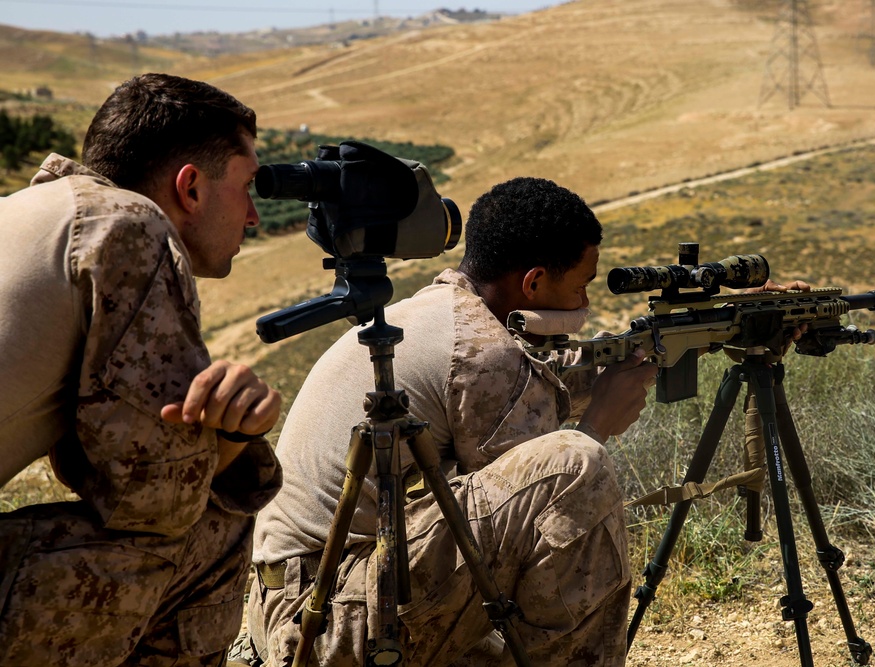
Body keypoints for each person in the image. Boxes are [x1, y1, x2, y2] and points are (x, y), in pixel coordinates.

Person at [245, 176, 660, 666]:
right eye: (581, 286)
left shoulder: (447, 315)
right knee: (576, 464)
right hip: (328, 623)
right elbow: (543, 505)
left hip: (292, 599)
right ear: (533, 282)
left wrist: (657, 343)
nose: (585, 306)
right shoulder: (483, 355)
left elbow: (547, 372)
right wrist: (596, 426)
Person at [0, 73, 283, 665]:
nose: (254, 215)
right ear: (191, 188)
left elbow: (94, 465)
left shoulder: (41, 211)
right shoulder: (128, 226)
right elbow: (155, 501)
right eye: (247, 185)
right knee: (213, 531)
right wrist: (236, 432)